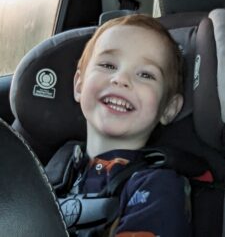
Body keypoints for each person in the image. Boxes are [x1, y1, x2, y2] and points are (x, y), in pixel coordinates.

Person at [50, 14, 191, 236]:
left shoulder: (157, 188)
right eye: (107, 65)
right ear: (79, 85)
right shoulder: (57, 167)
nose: (121, 79)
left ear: (168, 108)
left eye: (146, 74)